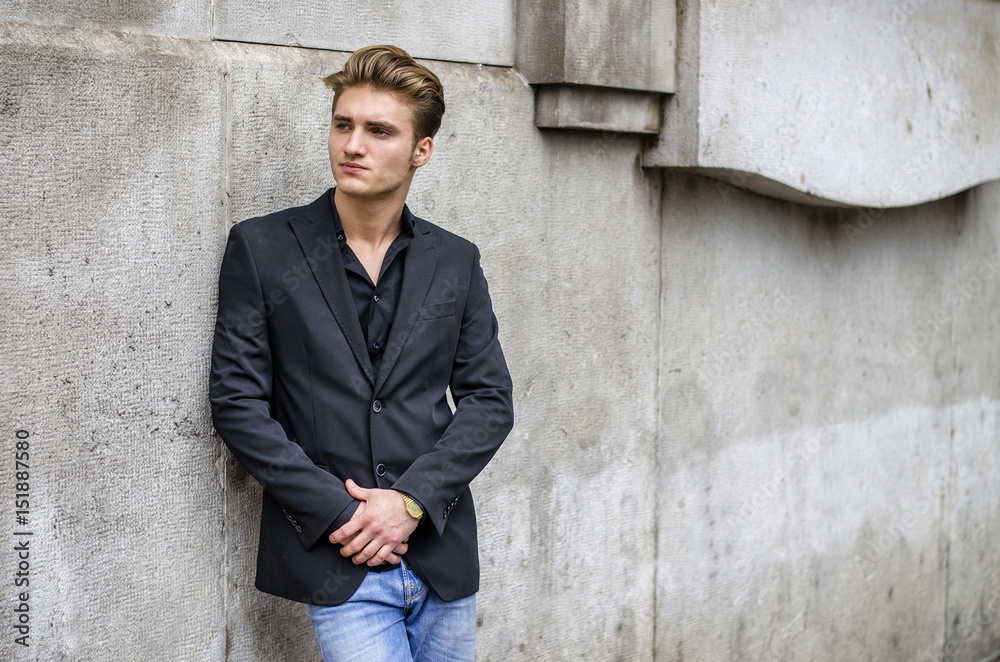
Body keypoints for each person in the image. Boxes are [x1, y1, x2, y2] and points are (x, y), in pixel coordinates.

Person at [209, 44, 514, 661]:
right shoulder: (262, 248)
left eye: (379, 131)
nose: (353, 145)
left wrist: (412, 501)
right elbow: (238, 403)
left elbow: (489, 400)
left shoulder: (456, 260)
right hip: (338, 555)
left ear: (421, 150)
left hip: (440, 554)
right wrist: (343, 513)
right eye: (343, 124)